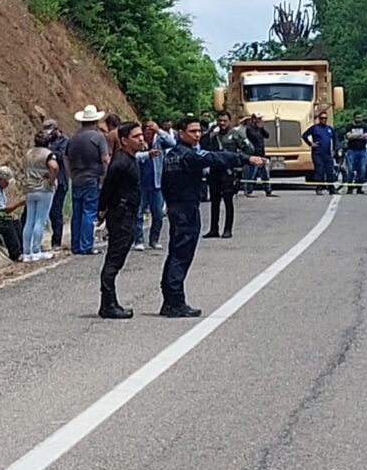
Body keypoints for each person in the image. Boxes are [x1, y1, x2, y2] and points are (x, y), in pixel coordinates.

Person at [160, 117, 265, 317]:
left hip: (177, 206)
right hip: (185, 209)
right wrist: (246, 159)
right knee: (181, 255)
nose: (197, 134)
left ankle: (170, 299)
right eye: (192, 131)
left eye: (199, 131)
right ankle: (175, 301)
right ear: (181, 133)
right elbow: (214, 158)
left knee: (175, 253)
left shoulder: (171, 156)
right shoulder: (186, 155)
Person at [96, 122, 147, 319]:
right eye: (136, 136)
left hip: (127, 212)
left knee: (117, 259)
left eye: (141, 135)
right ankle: (107, 304)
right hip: (121, 214)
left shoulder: (130, 159)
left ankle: (110, 302)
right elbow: (108, 187)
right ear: (124, 140)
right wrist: (102, 210)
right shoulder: (120, 163)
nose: (141, 139)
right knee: (114, 260)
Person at [201, 110, 253, 237]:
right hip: (214, 171)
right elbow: (203, 145)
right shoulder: (214, 135)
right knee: (214, 202)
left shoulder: (235, 134)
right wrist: (209, 132)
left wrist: (238, 160)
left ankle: (228, 229)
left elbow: (249, 149)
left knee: (228, 201)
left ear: (229, 121)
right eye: (220, 120)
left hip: (228, 172)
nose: (222, 123)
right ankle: (214, 229)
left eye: (225, 121)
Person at [66, 104, 110, 254]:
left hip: (77, 178)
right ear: (96, 121)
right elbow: (105, 158)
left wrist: (70, 173)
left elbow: (66, 157)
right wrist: (106, 176)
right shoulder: (98, 137)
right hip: (92, 178)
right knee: (89, 211)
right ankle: (86, 245)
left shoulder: (73, 138)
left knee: (77, 212)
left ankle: (76, 245)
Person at [134, 120, 176, 250]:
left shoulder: (159, 141)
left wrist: (159, 130)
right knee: (138, 213)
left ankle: (154, 239)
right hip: (141, 184)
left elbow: (172, 143)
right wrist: (147, 154)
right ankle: (139, 240)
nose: (148, 134)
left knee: (157, 214)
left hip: (157, 184)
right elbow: (133, 156)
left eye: (151, 131)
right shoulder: (138, 143)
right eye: (146, 131)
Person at [20, 130, 61, 262]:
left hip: (29, 188)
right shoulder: (48, 154)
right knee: (40, 220)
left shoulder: (28, 153)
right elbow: (54, 167)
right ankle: (36, 250)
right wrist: (51, 180)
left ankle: (27, 252)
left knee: (29, 220)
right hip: (43, 189)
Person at [41, 119, 70, 249]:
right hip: (48, 181)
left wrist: (49, 152)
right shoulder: (48, 142)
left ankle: (56, 241)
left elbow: (62, 156)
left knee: (55, 211)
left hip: (60, 180)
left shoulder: (64, 141)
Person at [302, 110, 337, 194]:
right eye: (322, 118)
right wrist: (310, 144)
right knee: (319, 170)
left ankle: (331, 189)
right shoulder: (315, 128)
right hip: (317, 153)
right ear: (319, 119)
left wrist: (334, 150)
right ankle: (319, 188)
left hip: (327, 153)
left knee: (330, 171)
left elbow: (335, 139)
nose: (323, 120)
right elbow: (304, 135)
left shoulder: (329, 129)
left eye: (325, 118)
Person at [243, 113, 275, 197]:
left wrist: (261, 128)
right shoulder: (249, 129)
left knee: (265, 174)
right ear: (254, 119)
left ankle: (268, 191)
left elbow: (267, 135)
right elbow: (254, 137)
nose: (261, 120)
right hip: (254, 155)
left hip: (261, 154)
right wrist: (258, 128)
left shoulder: (259, 129)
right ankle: (249, 191)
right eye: (259, 119)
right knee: (252, 174)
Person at [343, 112, 367, 194]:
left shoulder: (364, 126)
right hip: (351, 150)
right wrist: (360, 135)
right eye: (357, 117)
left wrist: (354, 135)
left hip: (362, 150)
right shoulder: (349, 126)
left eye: (360, 117)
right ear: (354, 118)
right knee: (350, 170)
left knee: (362, 169)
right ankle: (350, 188)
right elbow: (349, 136)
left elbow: (366, 136)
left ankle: (359, 188)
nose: (359, 119)